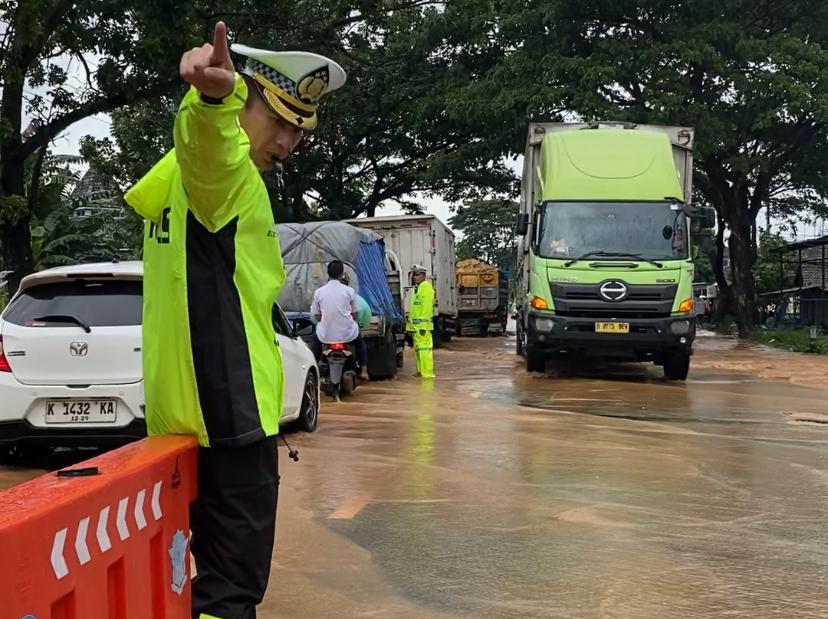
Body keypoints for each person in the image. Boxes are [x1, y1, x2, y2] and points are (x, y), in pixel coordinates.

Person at [124, 21, 345, 619]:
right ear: (246, 106)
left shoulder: (174, 181)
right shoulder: (221, 176)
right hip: (231, 413)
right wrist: (212, 101)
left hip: (181, 409)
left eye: (299, 130)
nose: (289, 143)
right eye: (280, 122)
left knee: (185, 578)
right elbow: (212, 150)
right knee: (231, 589)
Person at [311, 260, 370, 381]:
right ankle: (364, 370)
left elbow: (316, 316)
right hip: (347, 334)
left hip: (325, 335)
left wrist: (326, 320)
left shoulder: (319, 292)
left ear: (328, 273)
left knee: (315, 341)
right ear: (342, 274)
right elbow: (355, 314)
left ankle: (314, 370)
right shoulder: (349, 291)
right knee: (360, 342)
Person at [406, 264, 435, 378]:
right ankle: (420, 371)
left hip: (423, 327)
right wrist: (410, 327)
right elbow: (414, 310)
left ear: (424, 275)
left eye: (417, 275)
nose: (415, 277)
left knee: (425, 350)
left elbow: (426, 309)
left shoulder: (427, 288)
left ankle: (427, 373)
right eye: (413, 275)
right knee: (418, 350)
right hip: (415, 327)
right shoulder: (415, 289)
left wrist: (423, 326)